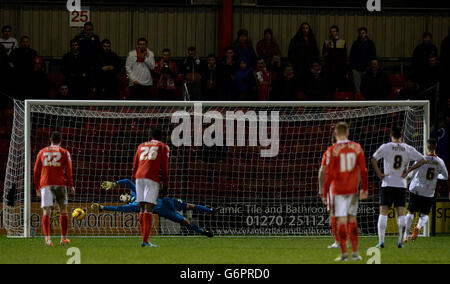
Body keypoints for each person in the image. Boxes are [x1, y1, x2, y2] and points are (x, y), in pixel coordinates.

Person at [91, 179, 215, 237]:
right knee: (186, 222)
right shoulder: (133, 206)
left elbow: (128, 181)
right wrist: (103, 207)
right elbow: (118, 209)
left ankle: (211, 211)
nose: (122, 197)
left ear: (126, 194)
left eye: (122, 195)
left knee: (190, 206)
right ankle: (204, 232)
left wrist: (115, 184)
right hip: (164, 212)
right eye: (120, 198)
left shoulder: (135, 192)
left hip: (166, 202)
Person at [371, 126, 427, 249]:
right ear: (401, 135)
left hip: (387, 183)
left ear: (391, 135)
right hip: (401, 184)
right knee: (401, 213)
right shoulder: (408, 148)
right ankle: (400, 241)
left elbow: (373, 158)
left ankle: (381, 242)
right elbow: (423, 160)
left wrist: (379, 173)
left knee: (383, 211)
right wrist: (409, 170)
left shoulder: (386, 146)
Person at [322, 122, 368, 261]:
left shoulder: (332, 150)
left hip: (338, 191)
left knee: (341, 220)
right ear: (348, 133)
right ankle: (355, 253)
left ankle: (344, 255)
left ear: (335, 134)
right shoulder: (357, 148)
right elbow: (363, 170)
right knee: (352, 220)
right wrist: (364, 188)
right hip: (353, 190)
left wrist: (324, 193)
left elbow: (328, 173)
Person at [33, 131, 75, 247]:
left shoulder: (42, 152)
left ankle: (47, 240)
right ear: (60, 141)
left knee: (47, 211)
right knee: (63, 210)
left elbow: (36, 171)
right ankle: (63, 239)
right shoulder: (64, 152)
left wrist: (37, 187)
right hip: (60, 183)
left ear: (50, 140)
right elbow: (69, 170)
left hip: (46, 183)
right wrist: (71, 185)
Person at [403, 139, 448, 242]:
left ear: (427, 147)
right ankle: (417, 228)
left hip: (416, 189)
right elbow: (445, 176)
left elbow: (411, 174)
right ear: (435, 148)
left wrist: (406, 180)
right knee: (425, 214)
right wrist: (436, 176)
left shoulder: (421, 159)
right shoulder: (440, 162)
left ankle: (405, 235)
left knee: (411, 212)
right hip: (429, 191)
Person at [132, 128, 169, 247]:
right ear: (162, 137)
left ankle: (144, 239)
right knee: (149, 208)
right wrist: (165, 184)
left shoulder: (141, 145)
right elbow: (165, 167)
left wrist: (136, 178)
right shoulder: (163, 146)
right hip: (152, 177)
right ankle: (145, 241)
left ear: (150, 136)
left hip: (139, 177)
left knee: (142, 208)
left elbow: (135, 165)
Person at [318, 135, 340, 249]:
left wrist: (321, 188)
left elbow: (322, 170)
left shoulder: (329, 152)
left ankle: (338, 241)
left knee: (333, 213)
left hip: (334, 185)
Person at [349, 27, 376, 93]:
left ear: (366, 34)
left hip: (367, 68)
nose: (361, 35)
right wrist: (353, 66)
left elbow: (373, 55)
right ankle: (359, 99)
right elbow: (352, 55)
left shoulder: (370, 43)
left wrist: (370, 66)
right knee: (358, 88)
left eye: (363, 33)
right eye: (360, 33)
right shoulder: (355, 43)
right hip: (357, 68)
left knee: (367, 86)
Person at [322, 25, 347, 92]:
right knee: (330, 87)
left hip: (339, 69)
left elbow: (344, 57)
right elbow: (324, 56)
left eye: (334, 31)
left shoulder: (342, 42)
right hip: (329, 68)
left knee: (340, 86)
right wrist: (327, 49)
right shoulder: (327, 42)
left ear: (337, 32)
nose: (332, 33)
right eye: (331, 32)